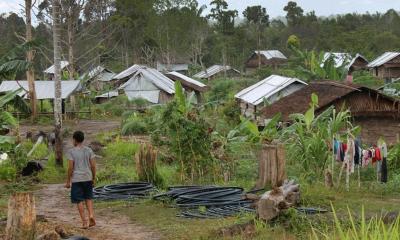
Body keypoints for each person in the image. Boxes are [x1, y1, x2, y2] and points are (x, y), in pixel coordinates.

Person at [65, 131, 96, 229]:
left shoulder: (71, 151)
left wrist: (68, 181)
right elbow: (93, 166)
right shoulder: (89, 150)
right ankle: (91, 215)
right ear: (83, 139)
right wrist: (93, 178)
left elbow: (70, 168)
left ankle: (84, 222)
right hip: (88, 177)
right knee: (88, 198)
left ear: (74, 140)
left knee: (79, 200)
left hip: (77, 179)